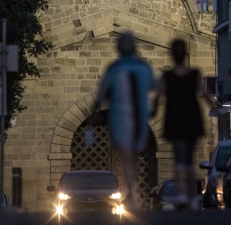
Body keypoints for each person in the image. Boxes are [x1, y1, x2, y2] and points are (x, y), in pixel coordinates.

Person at [90, 32, 156, 209]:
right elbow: (155, 86)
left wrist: (94, 112)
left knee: (127, 157)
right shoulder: (144, 68)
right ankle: (132, 192)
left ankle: (130, 193)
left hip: (120, 119)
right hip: (140, 118)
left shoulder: (114, 69)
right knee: (133, 157)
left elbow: (101, 94)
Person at [152, 38, 217, 210]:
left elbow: (158, 96)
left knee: (179, 159)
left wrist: (153, 110)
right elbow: (204, 93)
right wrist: (213, 106)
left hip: (174, 120)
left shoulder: (167, 76)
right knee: (188, 159)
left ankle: (182, 193)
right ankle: (190, 196)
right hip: (192, 120)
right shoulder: (194, 73)